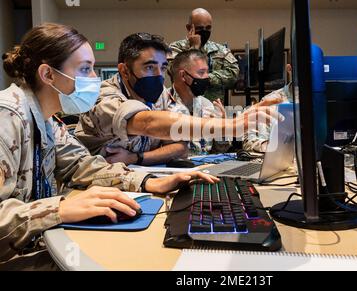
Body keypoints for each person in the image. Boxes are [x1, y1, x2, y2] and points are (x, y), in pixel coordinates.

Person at [0, 23, 221, 269]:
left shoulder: (45, 119)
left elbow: (81, 165)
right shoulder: (6, 118)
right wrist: (60, 208)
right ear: (48, 74)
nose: (94, 79)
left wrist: (148, 181)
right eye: (85, 69)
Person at [75, 33, 188, 166]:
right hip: (99, 181)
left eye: (162, 68)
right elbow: (148, 123)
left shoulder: (161, 93)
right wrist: (213, 127)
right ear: (124, 71)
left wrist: (135, 158)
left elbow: (180, 147)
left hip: (146, 178)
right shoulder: (102, 97)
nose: (159, 76)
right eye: (149, 67)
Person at [156, 49, 231, 155]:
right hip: (173, 168)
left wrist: (222, 129)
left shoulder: (207, 105)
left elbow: (220, 151)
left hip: (204, 167)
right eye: (201, 72)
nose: (207, 77)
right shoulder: (161, 106)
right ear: (183, 76)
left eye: (207, 72)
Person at [169, 8, 239, 101]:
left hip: (213, 107)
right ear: (189, 28)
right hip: (183, 105)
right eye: (200, 28)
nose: (205, 31)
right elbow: (174, 73)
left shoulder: (221, 50)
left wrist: (206, 79)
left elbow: (233, 73)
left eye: (208, 28)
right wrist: (194, 48)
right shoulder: (176, 48)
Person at [243, 65, 293, 153]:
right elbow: (251, 141)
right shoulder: (271, 102)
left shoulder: (320, 100)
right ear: (289, 68)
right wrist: (266, 146)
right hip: (282, 162)